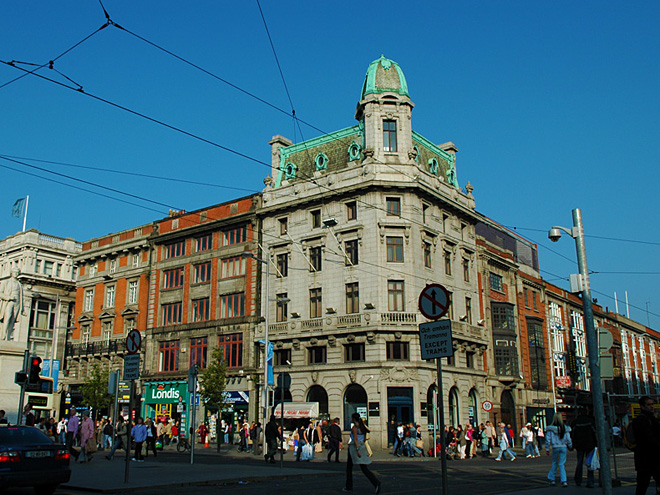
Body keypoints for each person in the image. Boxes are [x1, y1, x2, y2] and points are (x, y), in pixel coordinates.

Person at [343, 413, 381, 493]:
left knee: (349, 468)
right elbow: (364, 438)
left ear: (353, 419)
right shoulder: (362, 427)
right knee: (364, 468)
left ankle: (349, 486)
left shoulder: (354, 428)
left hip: (354, 447)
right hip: (362, 446)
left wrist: (357, 449)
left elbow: (355, 439)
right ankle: (376, 482)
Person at [632, 396, 660, 495]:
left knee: (642, 485)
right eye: (649, 405)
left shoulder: (653, 419)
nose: (652, 407)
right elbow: (649, 438)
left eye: (652, 404)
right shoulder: (641, 420)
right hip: (646, 458)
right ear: (642, 407)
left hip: (652, 458)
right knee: (642, 485)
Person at [571, 408, 597, 488]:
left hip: (579, 445)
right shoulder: (590, 421)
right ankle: (590, 481)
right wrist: (596, 443)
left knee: (579, 463)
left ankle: (578, 480)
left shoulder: (576, 422)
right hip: (590, 444)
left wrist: (573, 444)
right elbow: (594, 432)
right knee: (589, 463)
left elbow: (572, 434)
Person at [545, 412, 573, 487]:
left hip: (555, 447)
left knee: (554, 463)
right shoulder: (565, 428)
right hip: (563, 447)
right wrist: (570, 446)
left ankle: (552, 479)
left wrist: (547, 448)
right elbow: (568, 439)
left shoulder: (550, 429)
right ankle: (564, 480)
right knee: (562, 464)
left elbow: (548, 439)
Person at [1, 267, 25, 341]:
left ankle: (8, 336)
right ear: (11, 273)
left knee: (13, 320)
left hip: (17, 303)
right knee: (7, 317)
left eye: (17, 272)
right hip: (9, 302)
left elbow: (21, 296)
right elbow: (0, 293)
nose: (16, 274)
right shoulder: (6, 282)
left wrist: (22, 308)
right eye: (14, 272)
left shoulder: (19, 284)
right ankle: (3, 335)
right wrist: (8, 297)